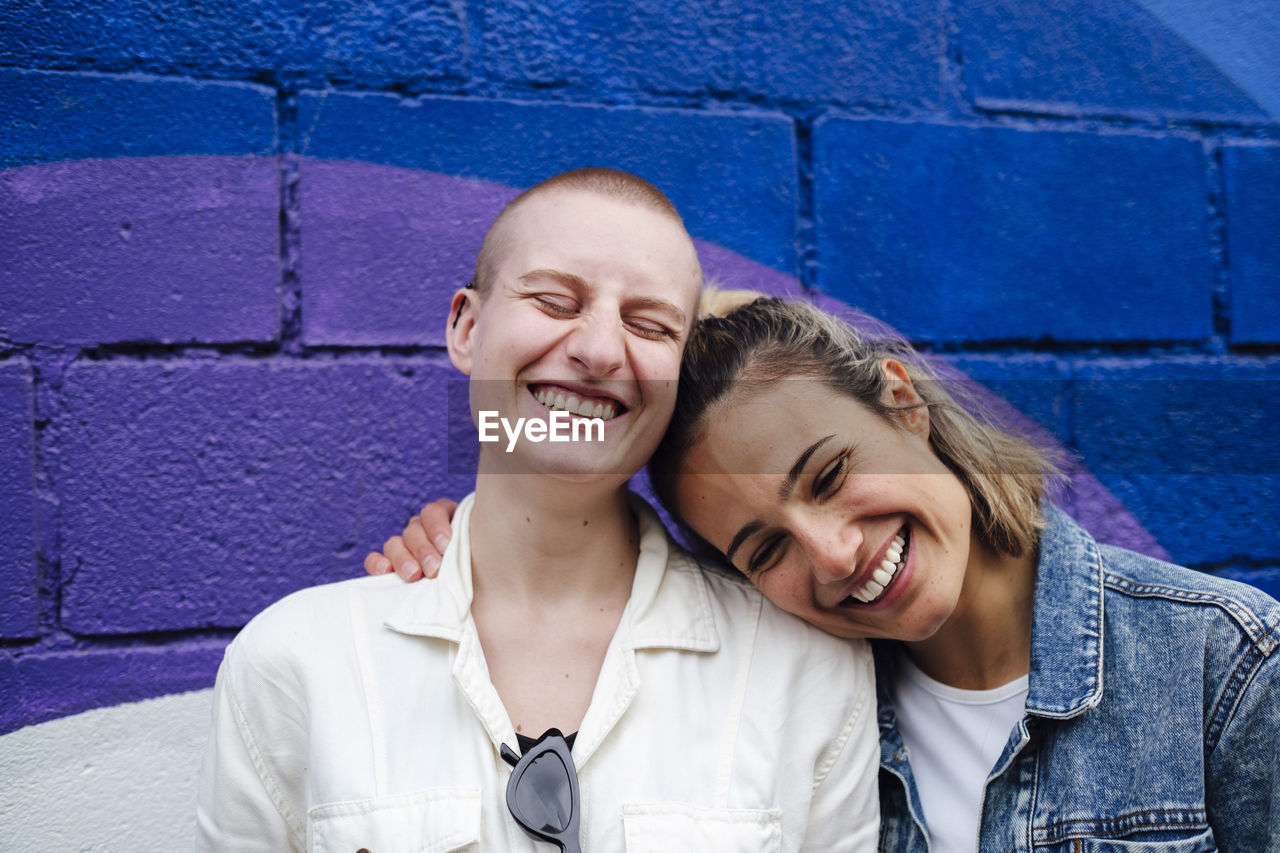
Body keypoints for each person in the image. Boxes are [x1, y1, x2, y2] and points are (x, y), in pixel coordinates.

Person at [377, 296, 1280, 851]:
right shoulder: (791, 699)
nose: (835, 555)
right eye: (765, 548)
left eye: (832, 475)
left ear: (901, 400)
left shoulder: (1223, 670)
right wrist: (493, 542)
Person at [196, 171, 879, 851]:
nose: (600, 350)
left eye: (649, 324)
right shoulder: (296, 663)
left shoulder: (804, 671)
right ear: (466, 327)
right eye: (554, 301)